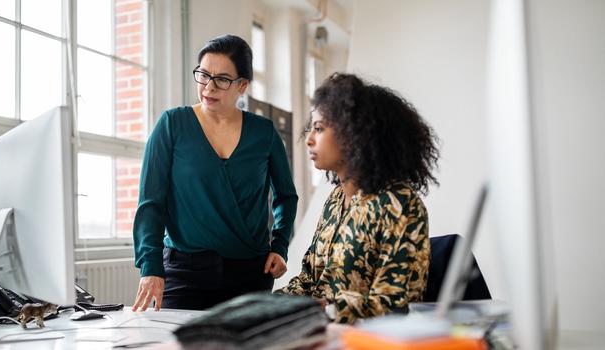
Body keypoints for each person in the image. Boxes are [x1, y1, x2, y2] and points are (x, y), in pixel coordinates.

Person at [132, 34, 298, 311]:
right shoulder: (172, 125)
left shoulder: (264, 132)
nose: (209, 87)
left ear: (242, 85)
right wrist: (150, 265)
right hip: (183, 272)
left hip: (250, 274)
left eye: (222, 79)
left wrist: (280, 246)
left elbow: (286, 196)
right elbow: (151, 203)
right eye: (203, 75)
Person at [276, 73, 439, 324]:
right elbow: (309, 280)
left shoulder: (399, 204)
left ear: (354, 134)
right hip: (320, 333)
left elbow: (397, 303)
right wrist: (264, 306)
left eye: (319, 129)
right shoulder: (335, 200)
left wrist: (324, 309)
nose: (308, 139)